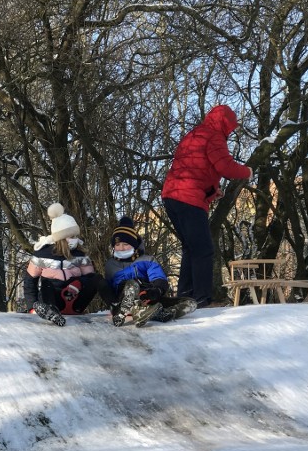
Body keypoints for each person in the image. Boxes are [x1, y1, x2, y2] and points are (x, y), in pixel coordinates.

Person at [161, 105, 252, 307]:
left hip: (171, 196)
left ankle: (184, 297)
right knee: (203, 249)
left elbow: (195, 169)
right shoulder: (214, 136)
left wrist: (211, 190)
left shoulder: (193, 134)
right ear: (225, 123)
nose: (231, 130)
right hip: (188, 198)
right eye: (231, 126)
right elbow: (226, 167)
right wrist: (248, 171)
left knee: (190, 248)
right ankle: (201, 299)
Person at [98, 217, 197, 327]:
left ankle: (157, 313)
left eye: (125, 244)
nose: (121, 248)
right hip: (123, 298)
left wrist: (156, 290)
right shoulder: (110, 264)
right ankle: (126, 311)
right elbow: (109, 289)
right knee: (132, 284)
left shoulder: (147, 260)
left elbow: (158, 277)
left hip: (146, 296)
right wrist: (113, 304)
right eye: (117, 245)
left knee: (189, 302)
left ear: (134, 245)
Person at [23, 203, 99, 327]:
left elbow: (91, 279)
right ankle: (50, 311)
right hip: (52, 298)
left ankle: (75, 309)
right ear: (60, 237)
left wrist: (78, 284)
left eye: (75, 235)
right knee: (47, 283)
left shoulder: (80, 254)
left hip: (74, 299)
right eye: (71, 236)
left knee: (97, 279)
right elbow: (30, 282)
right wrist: (31, 306)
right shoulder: (42, 253)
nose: (74, 239)